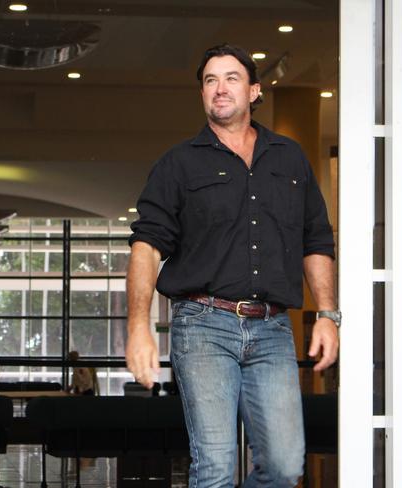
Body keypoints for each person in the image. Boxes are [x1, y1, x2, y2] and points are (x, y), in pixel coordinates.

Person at [126, 43, 340, 488]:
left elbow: (316, 239)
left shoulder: (290, 158)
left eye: (231, 78)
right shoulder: (178, 164)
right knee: (217, 468)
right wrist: (138, 326)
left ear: (254, 90)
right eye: (210, 80)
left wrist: (327, 314)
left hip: (273, 329)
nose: (219, 88)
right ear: (203, 94)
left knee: (284, 466)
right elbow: (146, 246)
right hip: (203, 325)